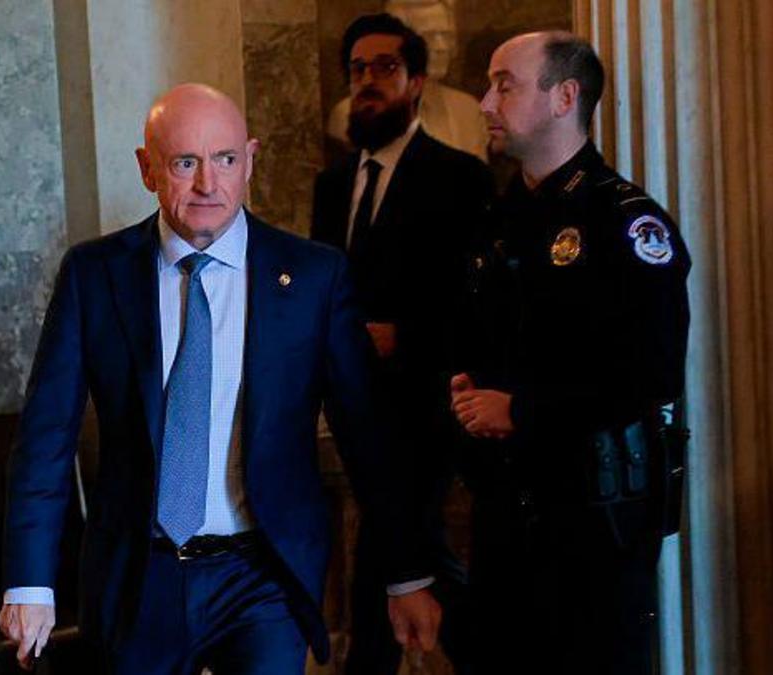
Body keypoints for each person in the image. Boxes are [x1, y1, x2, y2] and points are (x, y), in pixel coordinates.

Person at [0, 83, 441, 675]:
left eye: (226, 160)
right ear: (147, 168)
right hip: (140, 571)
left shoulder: (313, 277)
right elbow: (46, 438)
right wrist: (30, 583)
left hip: (263, 574)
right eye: (185, 163)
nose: (209, 184)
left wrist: (406, 573)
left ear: (251, 159)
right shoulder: (95, 274)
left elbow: (367, 435)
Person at [451, 32, 690, 674]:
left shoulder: (624, 222)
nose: (485, 102)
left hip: (596, 523)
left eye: (505, 84)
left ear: (564, 97)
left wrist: (522, 411)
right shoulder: (499, 220)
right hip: (508, 515)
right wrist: (471, 393)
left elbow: (652, 372)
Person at [312, 13, 493, 675]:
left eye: (385, 68)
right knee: (402, 553)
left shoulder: (460, 178)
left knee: (398, 554)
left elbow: (477, 303)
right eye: (358, 70)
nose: (368, 82)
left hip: (426, 405)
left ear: (416, 82)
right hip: (356, 405)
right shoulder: (332, 185)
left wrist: (402, 334)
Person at [328, 0, 490, 162]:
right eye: (429, 36)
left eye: (446, 35)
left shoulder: (467, 110)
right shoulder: (351, 114)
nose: (441, 46)